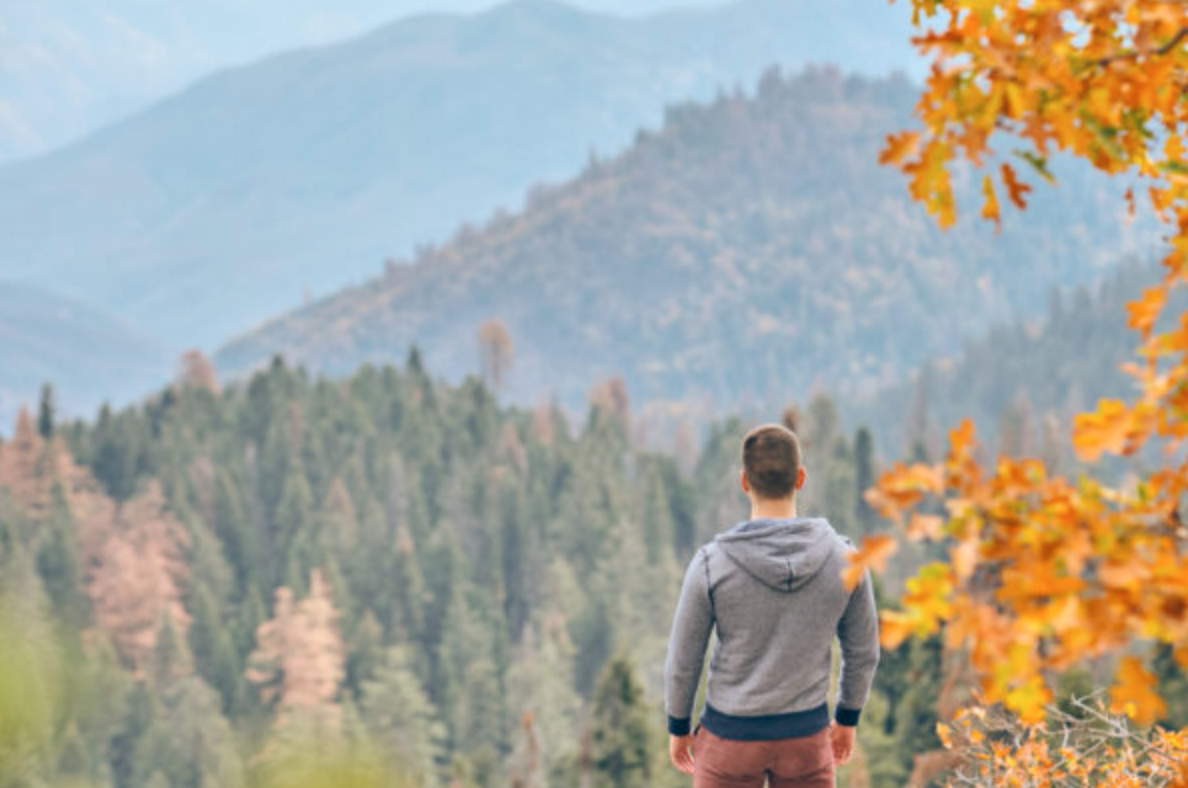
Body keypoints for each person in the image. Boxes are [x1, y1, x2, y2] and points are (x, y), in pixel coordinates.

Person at [664, 423, 880, 787]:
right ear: (801, 478)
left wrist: (678, 726)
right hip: (807, 738)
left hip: (728, 739)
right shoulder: (846, 560)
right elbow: (864, 651)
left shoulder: (711, 564)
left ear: (744, 482)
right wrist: (847, 718)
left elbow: (684, 661)